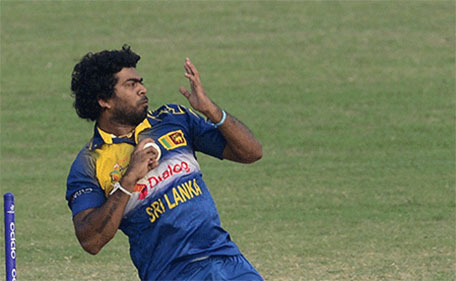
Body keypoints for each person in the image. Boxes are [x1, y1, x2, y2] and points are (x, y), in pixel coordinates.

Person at [65, 45, 264, 280]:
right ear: (104, 100)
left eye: (140, 82)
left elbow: (251, 153)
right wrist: (129, 179)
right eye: (131, 85)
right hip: (173, 273)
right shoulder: (88, 164)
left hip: (227, 260)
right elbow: (91, 240)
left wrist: (209, 109)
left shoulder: (173, 118)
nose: (143, 89)